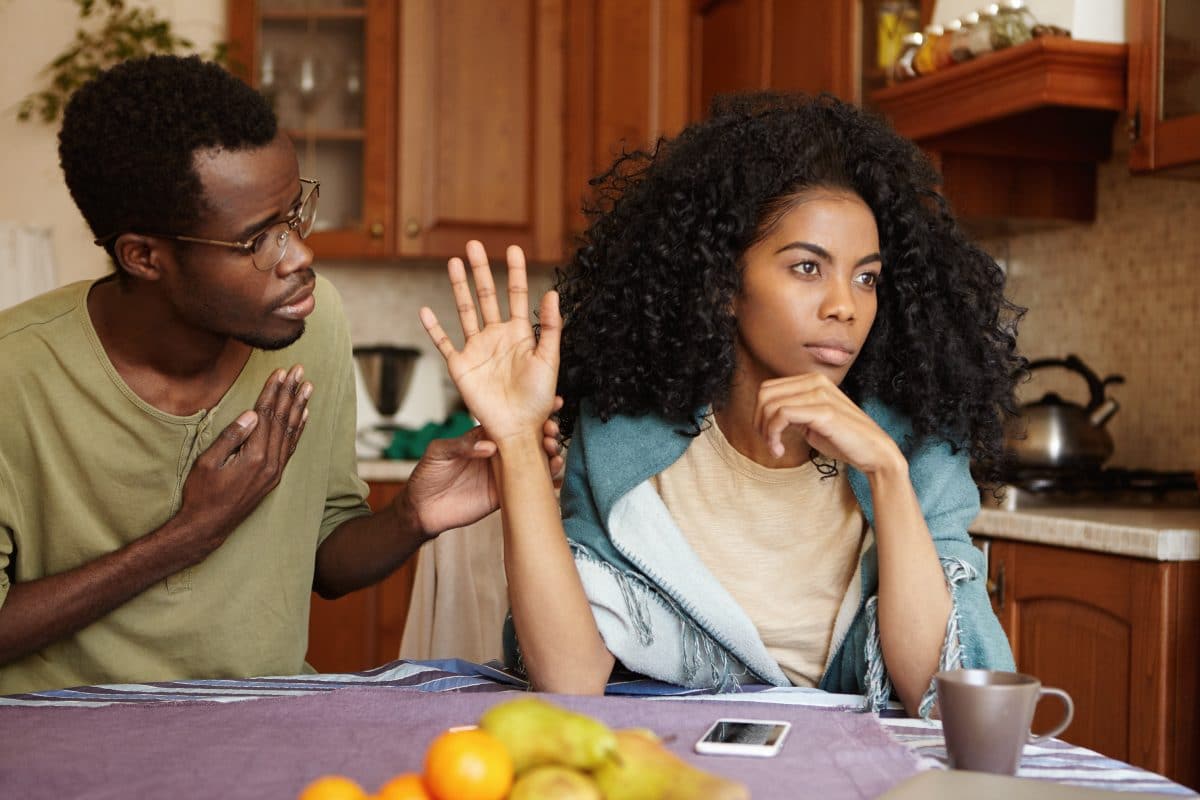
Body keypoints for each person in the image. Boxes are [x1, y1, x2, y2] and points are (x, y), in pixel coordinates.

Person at [421, 92, 1023, 717]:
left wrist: (887, 474)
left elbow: (948, 693)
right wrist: (518, 438)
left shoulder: (917, 443)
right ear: (721, 284)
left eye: (866, 277)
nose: (846, 305)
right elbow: (569, 677)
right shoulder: (628, 437)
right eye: (808, 268)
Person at [0, 55, 561, 695]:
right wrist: (188, 534)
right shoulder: (14, 374)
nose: (300, 254)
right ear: (145, 257)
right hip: (60, 739)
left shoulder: (314, 328)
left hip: (265, 722)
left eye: (296, 214)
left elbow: (325, 558)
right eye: (259, 240)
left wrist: (412, 514)